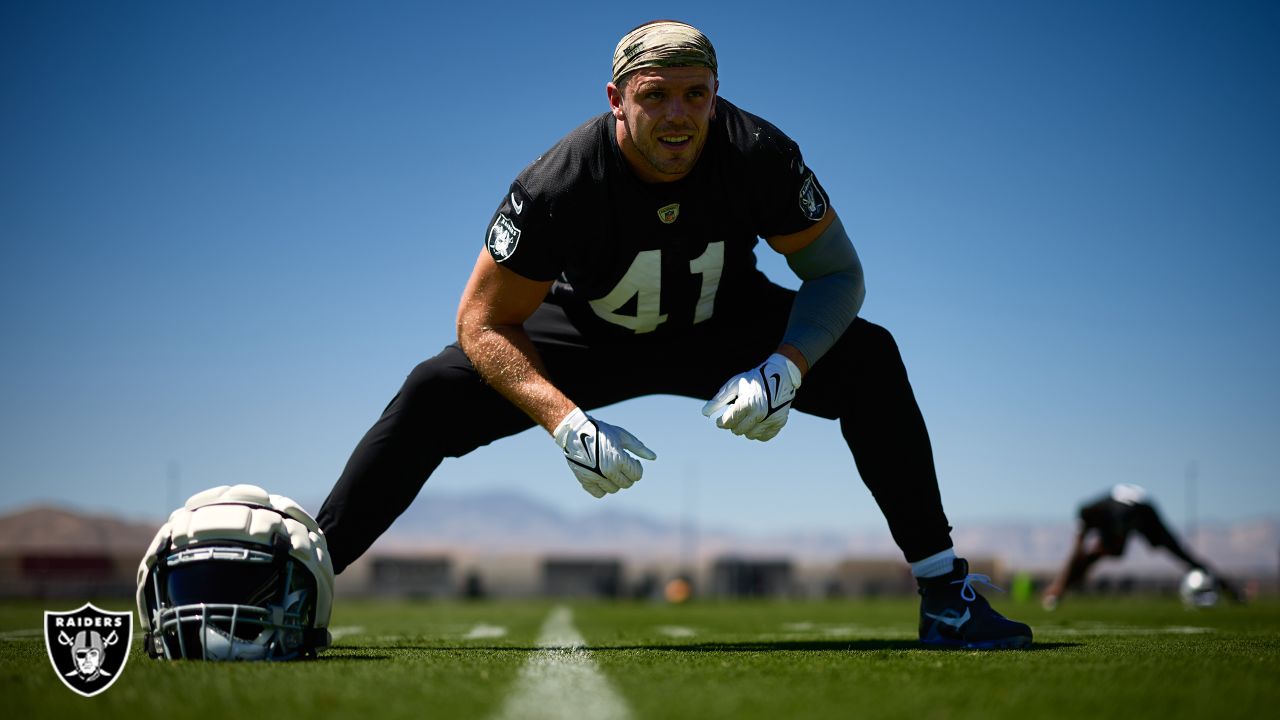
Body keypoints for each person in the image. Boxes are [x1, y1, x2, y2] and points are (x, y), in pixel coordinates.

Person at [316, 20, 1032, 649]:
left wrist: (787, 365)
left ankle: (947, 598)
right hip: (589, 336)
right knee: (434, 390)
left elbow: (839, 276)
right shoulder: (558, 182)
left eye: (695, 94)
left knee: (870, 357)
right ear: (616, 99)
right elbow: (480, 320)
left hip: (723, 323)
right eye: (655, 94)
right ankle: (307, 579)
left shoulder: (758, 154)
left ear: (715, 93)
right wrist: (563, 422)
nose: (678, 114)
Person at [1042, 483, 1243, 609]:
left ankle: (1058, 592)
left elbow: (1078, 551)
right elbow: (1082, 552)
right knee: (1183, 555)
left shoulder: (1089, 513)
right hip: (1144, 508)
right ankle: (1232, 591)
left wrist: (1059, 584)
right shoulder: (1098, 514)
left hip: (1139, 512)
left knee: (1098, 554)